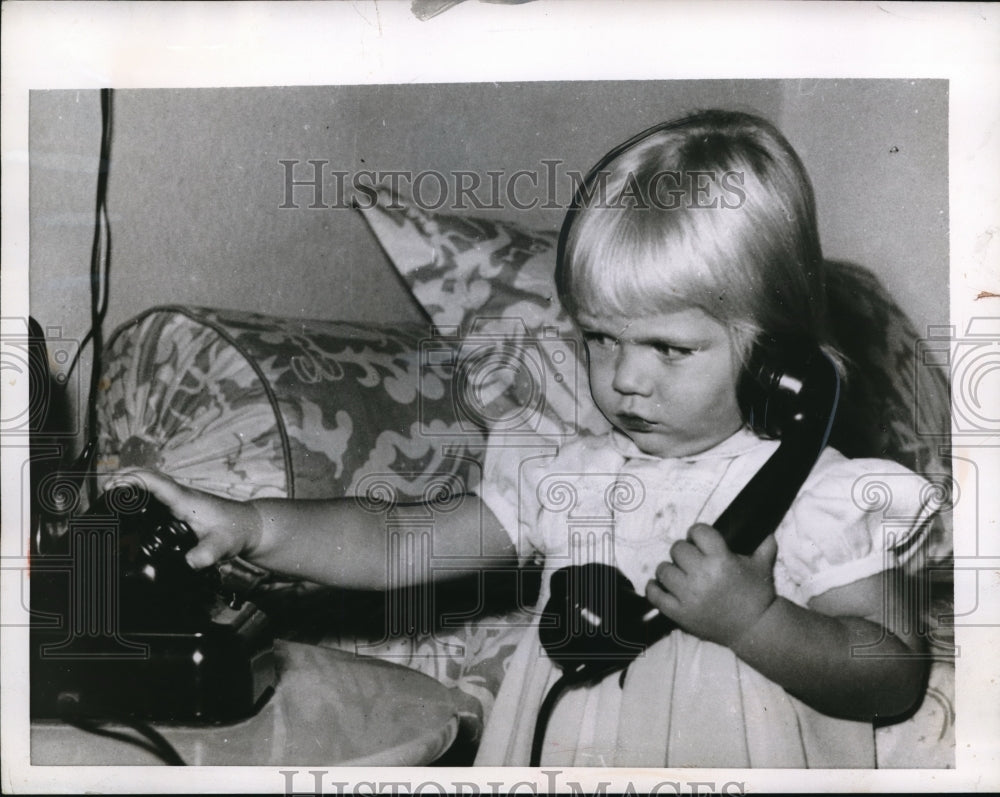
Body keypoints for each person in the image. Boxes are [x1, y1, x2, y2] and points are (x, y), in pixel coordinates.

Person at [108, 110, 935, 768]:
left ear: (777, 360)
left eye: (668, 348)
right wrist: (252, 524)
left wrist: (756, 620)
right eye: (601, 338)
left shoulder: (816, 493)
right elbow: (401, 540)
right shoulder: (568, 472)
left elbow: (892, 671)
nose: (625, 379)